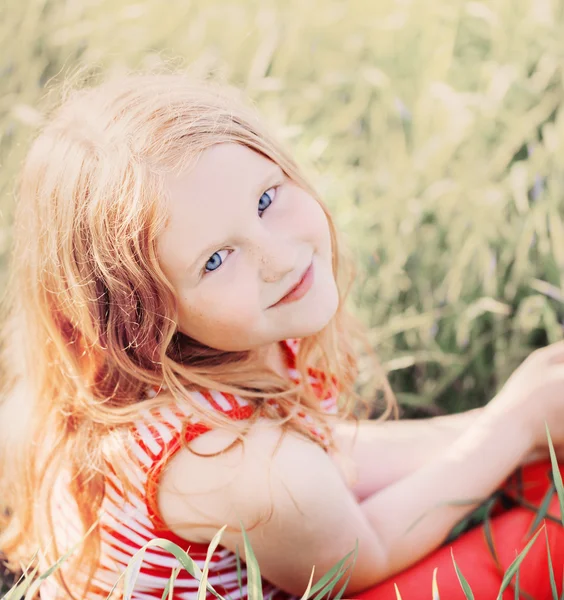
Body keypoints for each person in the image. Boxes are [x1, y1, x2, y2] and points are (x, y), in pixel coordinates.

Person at [0, 71, 563, 600]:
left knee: (539, 453)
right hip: (350, 552)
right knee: (552, 533)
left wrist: (510, 423)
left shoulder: (216, 347)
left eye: (267, 200)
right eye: (217, 259)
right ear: (144, 319)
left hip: (317, 519)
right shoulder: (231, 461)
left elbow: (329, 457)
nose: (278, 258)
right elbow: (363, 553)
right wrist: (509, 426)